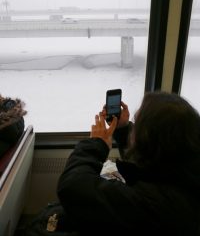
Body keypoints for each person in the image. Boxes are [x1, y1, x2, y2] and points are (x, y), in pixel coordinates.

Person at [57, 91, 200, 236]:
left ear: (152, 140)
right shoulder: (180, 169)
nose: (133, 130)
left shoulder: (157, 205)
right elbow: (144, 166)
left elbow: (72, 186)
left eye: (136, 125)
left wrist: (96, 144)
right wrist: (123, 129)